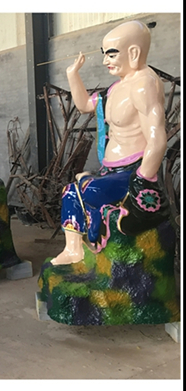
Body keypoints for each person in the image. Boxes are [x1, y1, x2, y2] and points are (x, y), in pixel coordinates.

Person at [52, 20, 167, 265]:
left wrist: (142, 179)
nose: (105, 61)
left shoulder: (144, 84)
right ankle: (75, 249)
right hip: (110, 169)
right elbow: (85, 105)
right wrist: (73, 75)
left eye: (111, 54)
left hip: (132, 172)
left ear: (133, 53)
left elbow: (157, 139)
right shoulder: (117, 87)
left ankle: (87, 239)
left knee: (86, 190)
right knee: (73, 189)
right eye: (104, 54)